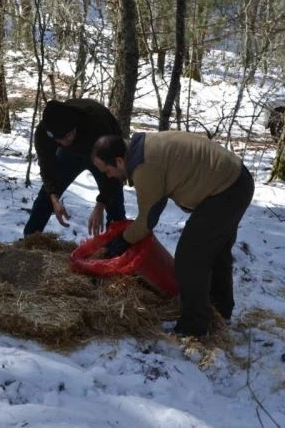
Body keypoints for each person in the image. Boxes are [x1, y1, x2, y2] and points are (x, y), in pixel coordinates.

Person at [91, 131, 254, 338]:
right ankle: (220, 312)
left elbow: (147, 220)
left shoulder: (144, 166)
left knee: (189, 257)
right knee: (215, 252)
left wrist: (123, 240)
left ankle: (193, 327)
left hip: (227, 189)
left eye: (107, 171)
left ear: (119, 161)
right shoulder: (141, 150)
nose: (108, 176)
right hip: (236, 180)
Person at [24, 99, 126, 237]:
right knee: (47, 196)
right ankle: (30, 239)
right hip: (70, 155)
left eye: (68, 135)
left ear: (74, 125)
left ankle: (118, 242)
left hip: (101, 151)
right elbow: (47, 169)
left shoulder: (98, 124)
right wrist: (54, 198)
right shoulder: (44, 134)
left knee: (114, 202)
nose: (65, 141)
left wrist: (101, 204)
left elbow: (117, 170)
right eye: (60, 139)